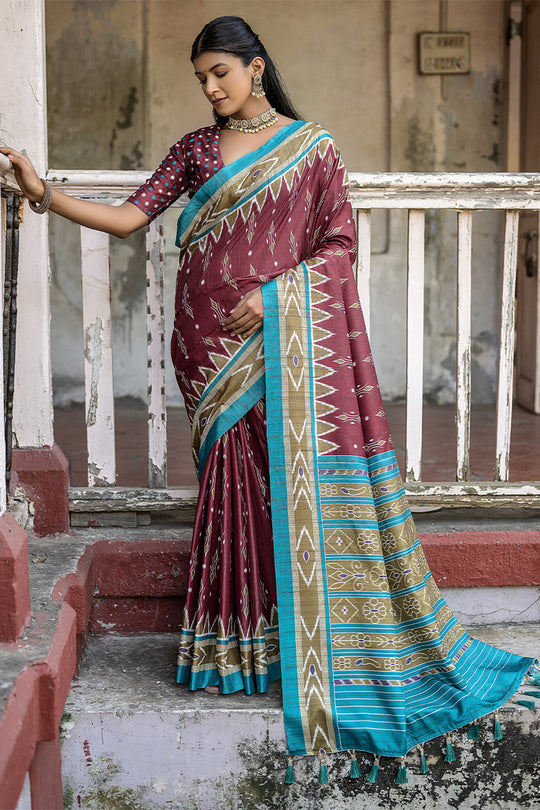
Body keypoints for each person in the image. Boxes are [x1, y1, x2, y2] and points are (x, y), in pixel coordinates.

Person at [2, 14, 536, 786]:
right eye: (201, 79)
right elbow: (129, 217)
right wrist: (42, 191)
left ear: (256, 68)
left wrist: (280, 294)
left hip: (276, 341)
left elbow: (339, 247)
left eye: (220, 72)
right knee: (230, 487)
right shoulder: (193, 148)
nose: (211, 88)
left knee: (277, 484)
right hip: (205, 346)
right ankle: (235, 648)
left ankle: (288, 645)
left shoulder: (313, 149)